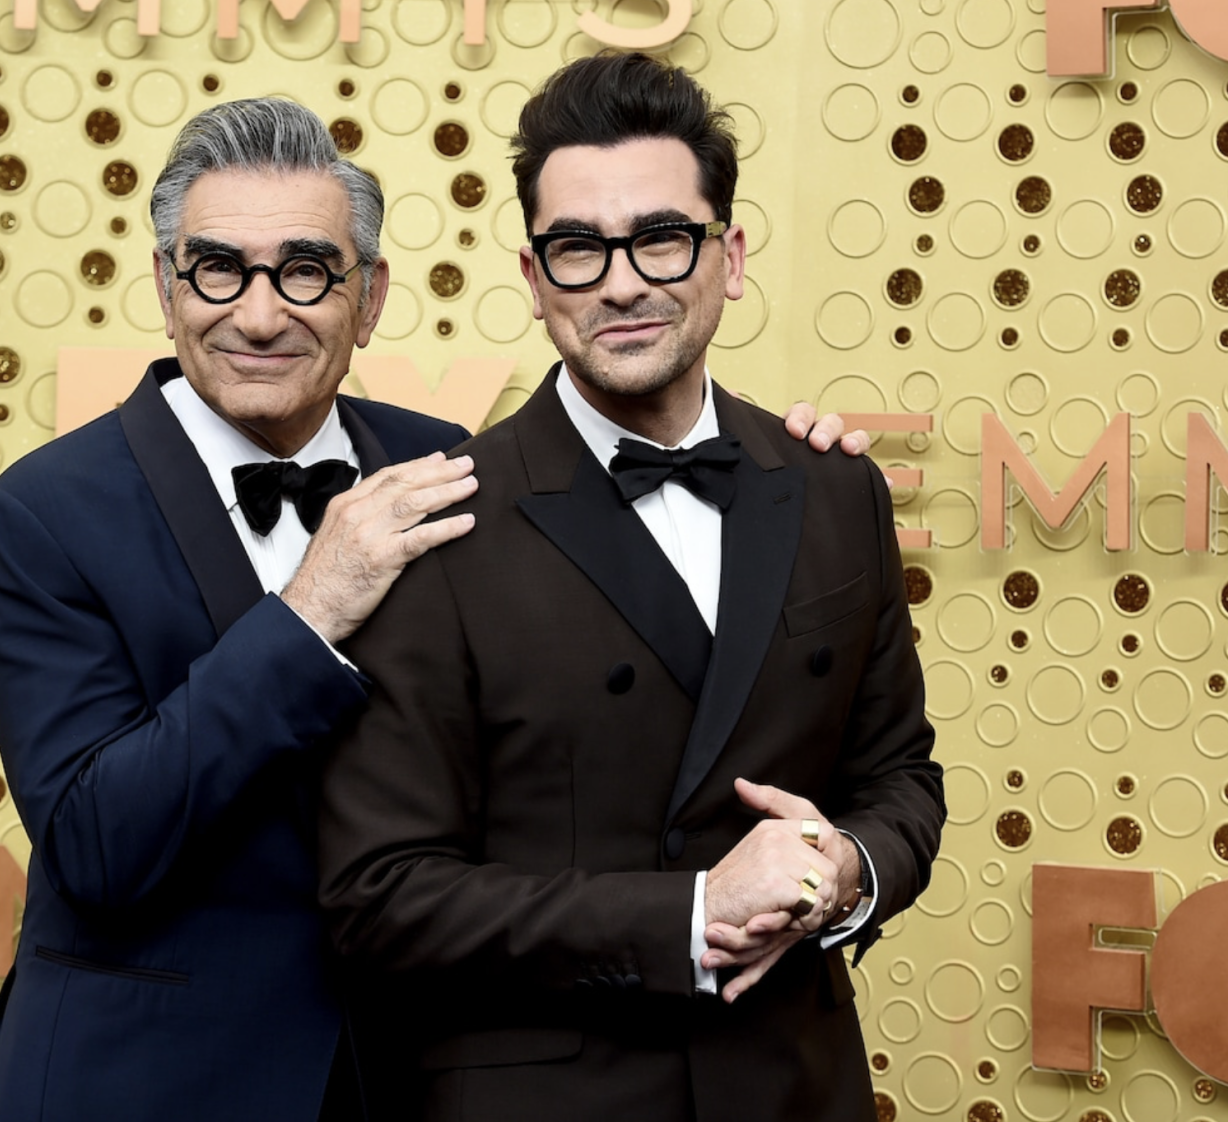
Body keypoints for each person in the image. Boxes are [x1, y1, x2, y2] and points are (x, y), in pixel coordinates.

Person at [0, 95, 868, 1120]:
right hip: (146, 1082)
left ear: (372, 295)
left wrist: (786, 467)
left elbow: (650, 625)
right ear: (169, 286)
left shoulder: (452, 465)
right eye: (219, 269)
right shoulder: (42, 512)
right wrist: (307, 614)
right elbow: (94, 842)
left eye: (306, 270)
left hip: (426, 1074)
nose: (260, 314)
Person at [319, 53, 944, 1122]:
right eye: (577, 249)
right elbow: (381, 897)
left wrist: (846, 868)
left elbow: (901, 783)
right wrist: (688, 913)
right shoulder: (435, 523)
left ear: (729, 255)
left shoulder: (838, 491)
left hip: (792, 1085)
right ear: (532, 277)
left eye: (661, 237)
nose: (621, 282)